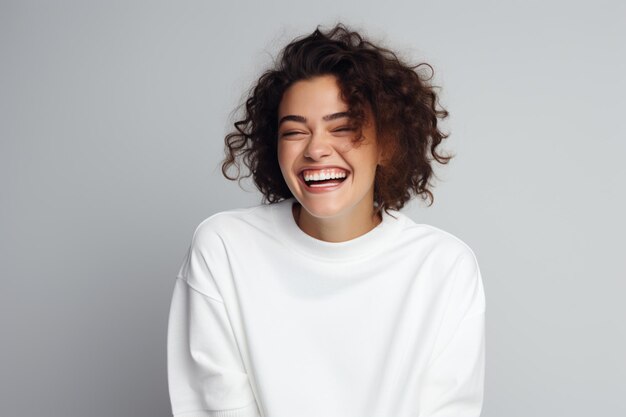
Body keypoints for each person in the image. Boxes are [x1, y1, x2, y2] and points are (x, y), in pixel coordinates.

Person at [167, 23, 486, 417]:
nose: (316, 149)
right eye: (295, 132)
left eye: (343, 128)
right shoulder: (224, 249)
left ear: (386, 143)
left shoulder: (443, 267)